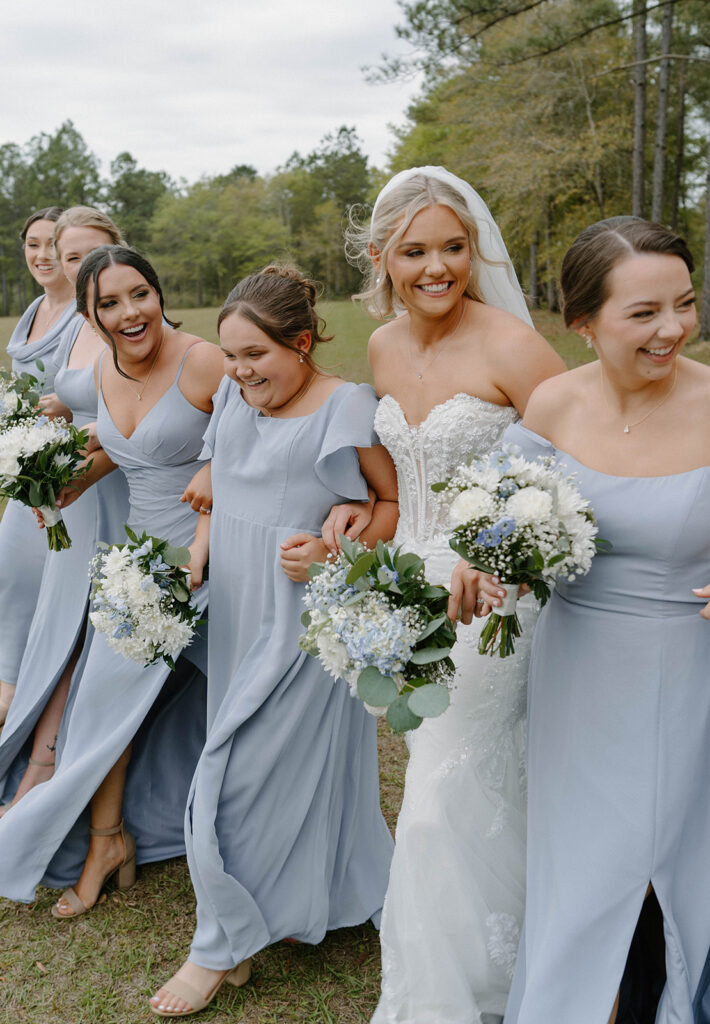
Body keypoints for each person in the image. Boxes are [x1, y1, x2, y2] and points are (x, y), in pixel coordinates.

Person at [333, 167, 565, 1024]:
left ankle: (442, 999)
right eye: (415, 252)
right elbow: (401, 478)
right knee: (473, 785)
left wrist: (500, 550)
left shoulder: (512, 346)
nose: (437, 267)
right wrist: (361, 515)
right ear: (381, 258)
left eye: (454, 247)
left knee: (436, 793)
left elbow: (573, 467)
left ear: (476, 250)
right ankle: (522, 948)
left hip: (492, 596)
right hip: (408, 592)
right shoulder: (383, 348)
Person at [149, 264, 398, 1017]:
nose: (239, 370)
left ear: (301, 344)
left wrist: (337, 548)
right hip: (236, 605)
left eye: (255, 355)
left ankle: (216, 949)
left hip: (301, 621)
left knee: (239, 773)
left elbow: (391, 502)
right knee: (277, 770)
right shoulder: (234, 394)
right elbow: (221, 477)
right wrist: (199, 547)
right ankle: (288, 905)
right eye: (230, 355)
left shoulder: (347, 405)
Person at [489, 217, 710, 1024]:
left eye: (685, 303)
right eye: (644, 313)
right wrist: (491, 564)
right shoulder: (554, 403)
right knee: (584, 866)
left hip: (690, 670)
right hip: (578, 671)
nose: (673, 329)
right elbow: (500, 523)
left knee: (669, 863)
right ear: (582, 323)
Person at [0, 246, 223, 911]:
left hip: (213, 562)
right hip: (141, 566)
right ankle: (106, 841)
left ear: (159, 294)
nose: (130, 313)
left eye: (140, 294)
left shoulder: (202, 361)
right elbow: (123, 443)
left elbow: (268, 425)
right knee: (100, 704)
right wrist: (66, 478)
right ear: (90, 318)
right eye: (110, 303)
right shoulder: (102, 370)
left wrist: (214, 469)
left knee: (244, 704)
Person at [0, 207, 129, 815]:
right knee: (35, 614)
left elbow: (145, 417)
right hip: (67, 484)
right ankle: (26, 742)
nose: (80, 266)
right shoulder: (77, 319)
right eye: (70, 256)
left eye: (90, 253)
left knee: (76, 627)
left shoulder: (124, 319)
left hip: (104, 488)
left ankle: (43, 769)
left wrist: (79, 454)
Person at [0, 207, 76, 724]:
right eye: (33, 244)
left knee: (55, 593)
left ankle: (34, 704)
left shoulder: (87, 313)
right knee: (11, 578)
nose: (43, 255)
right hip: (29, 472)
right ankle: (9, 687)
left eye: (54, 244)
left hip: (75, 474)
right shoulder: (30, 311)